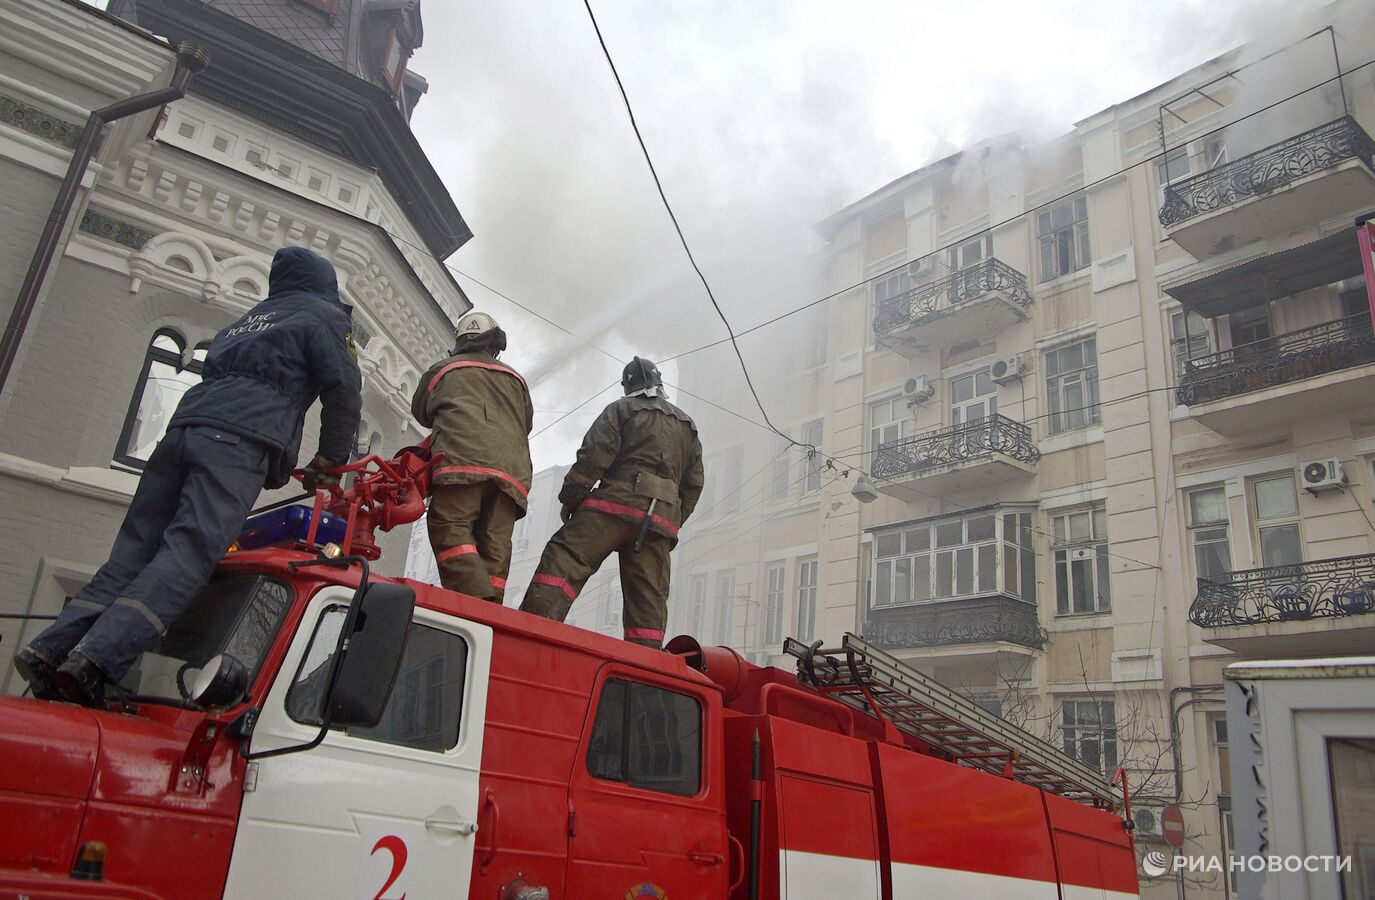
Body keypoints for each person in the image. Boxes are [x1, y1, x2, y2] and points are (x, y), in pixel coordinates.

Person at [14, 246, 362, 706]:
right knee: (191, 551)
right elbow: (344, 389)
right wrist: (331, 462)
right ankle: (96, 661)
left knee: (135, 551)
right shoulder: (325, 317)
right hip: (237, 440)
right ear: (324, 284)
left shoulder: (246, 320)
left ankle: (50, 649)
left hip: (182, 431)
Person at [520, 357, 703, 649]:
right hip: (660, 523)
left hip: (612, 507)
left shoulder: (621, 410)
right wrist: (671, 522)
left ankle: (531, 631)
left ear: (627, 385)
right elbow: (694, 485)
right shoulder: (687, 426)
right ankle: (643, 665)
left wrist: (572, 499)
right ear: (660, 383)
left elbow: (594, 456)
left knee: (565, 557)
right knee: (649, 598)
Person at [412, 311, 533, 603]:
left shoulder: (443, 370)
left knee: (449, 526)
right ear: (495, 344)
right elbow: (526, 423)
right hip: (513, 475)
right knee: (494, 544)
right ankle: (491, 616)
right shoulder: (516, 379)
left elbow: (421, 412)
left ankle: (477, 600)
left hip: (462, 463)